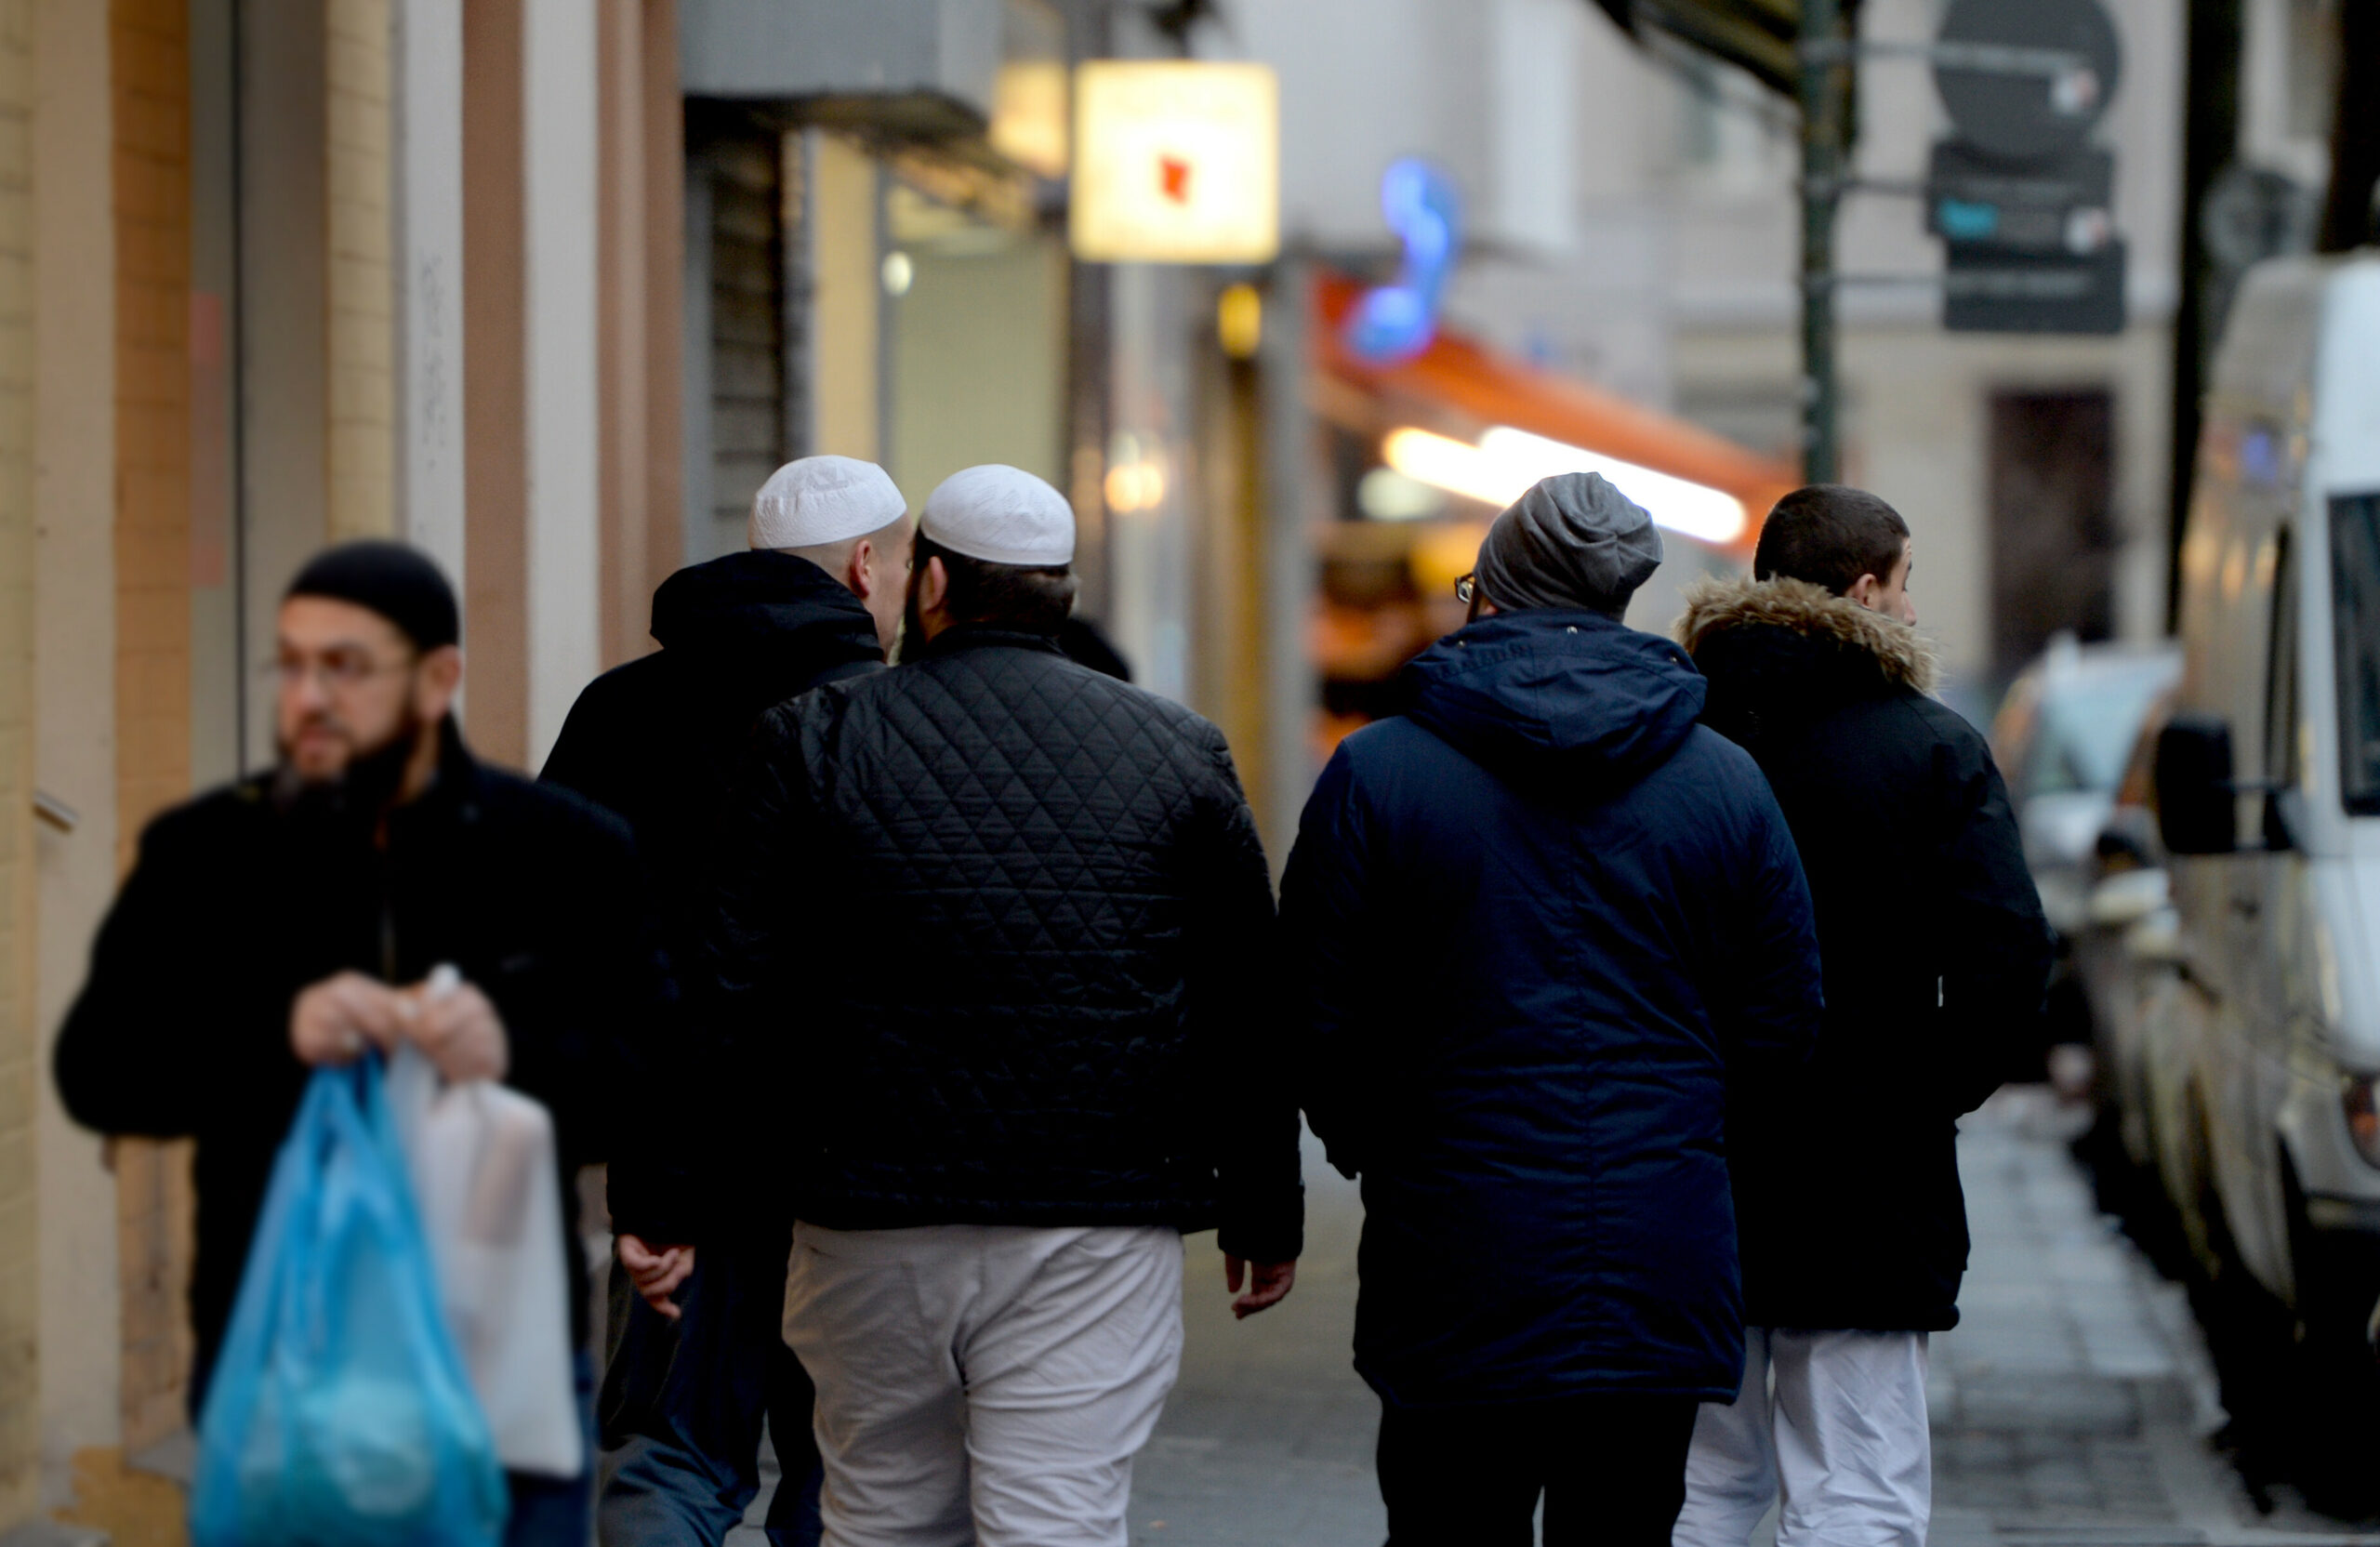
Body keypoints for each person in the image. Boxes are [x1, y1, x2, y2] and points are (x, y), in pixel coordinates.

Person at [714, 464, 1302, 1547]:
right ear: (1060, 594)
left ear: (928, 580)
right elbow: (1245, 998)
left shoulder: (813, 734)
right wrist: (1265, 1204)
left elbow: (737, 981)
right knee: (1054, 1519)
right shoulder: (1177, 747)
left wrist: (679, 1189)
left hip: (866, 1209)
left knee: (881, 1512)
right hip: (1093, 1216)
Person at [53, 540, 677, 1545]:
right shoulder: (210, 851)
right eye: (292, 663)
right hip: (284, 1345)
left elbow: (652, 1075)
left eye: (345, 666)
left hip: (500, 1350)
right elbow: (101, 1066)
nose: (308, 695)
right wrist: (276, 1032)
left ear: (438, 677)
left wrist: (511, 1050)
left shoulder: (565, 849)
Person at [1281, 471, 1826, 1547]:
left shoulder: (1378, 773)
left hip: (1452, 1250)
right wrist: (1692, 1143)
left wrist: (1381, 1147)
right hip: (1655, 1254)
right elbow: (1783, 1017)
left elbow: (1312, 1007)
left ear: (1488, 593)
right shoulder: (1724, 780)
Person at [540, 456, 911, 1546]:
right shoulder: (888, 719)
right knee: (843, 1462)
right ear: (862, 568)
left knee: (669, 1448)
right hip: (853, 1162)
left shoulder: (618, 707)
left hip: (676, 1157)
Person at [1672, 484, 2052, 1547]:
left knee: (1699, 1489)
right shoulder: (1927, 748)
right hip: (1865, 1173)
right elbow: (2007, 963)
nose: (1913, 612)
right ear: (1864, 586)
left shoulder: (1668, 731)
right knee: (1859, 1485)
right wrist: (1916, 1093)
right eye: (1906, 582)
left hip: (1687, 1158)